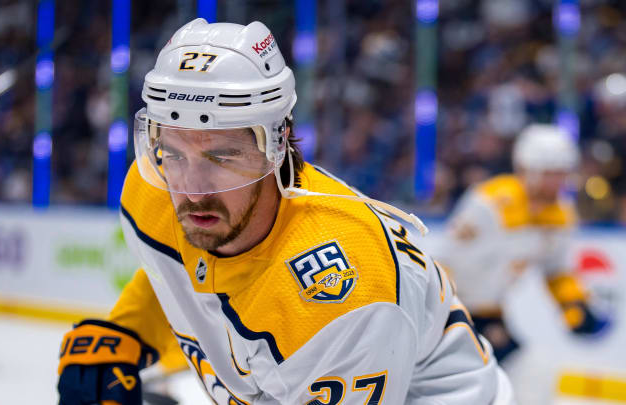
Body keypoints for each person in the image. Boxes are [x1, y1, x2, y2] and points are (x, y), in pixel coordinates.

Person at [57, 18, 513, 405]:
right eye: (173, 152)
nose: (192, 191)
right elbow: (180, 273)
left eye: (222, 156)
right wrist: (127, 332)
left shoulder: (339, 295)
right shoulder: (153, 187)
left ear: (277, 144)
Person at [432, 124, 610, 364]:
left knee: (525, 375)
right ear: (527, 170)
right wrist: (447, 317)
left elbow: (555, 269)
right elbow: (444, 261)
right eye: (550, 173)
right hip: (451, 311)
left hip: (490, 312)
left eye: (562, 173)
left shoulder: (560, 213)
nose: (558, 181)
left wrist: (573, 304)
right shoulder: (491, 203)